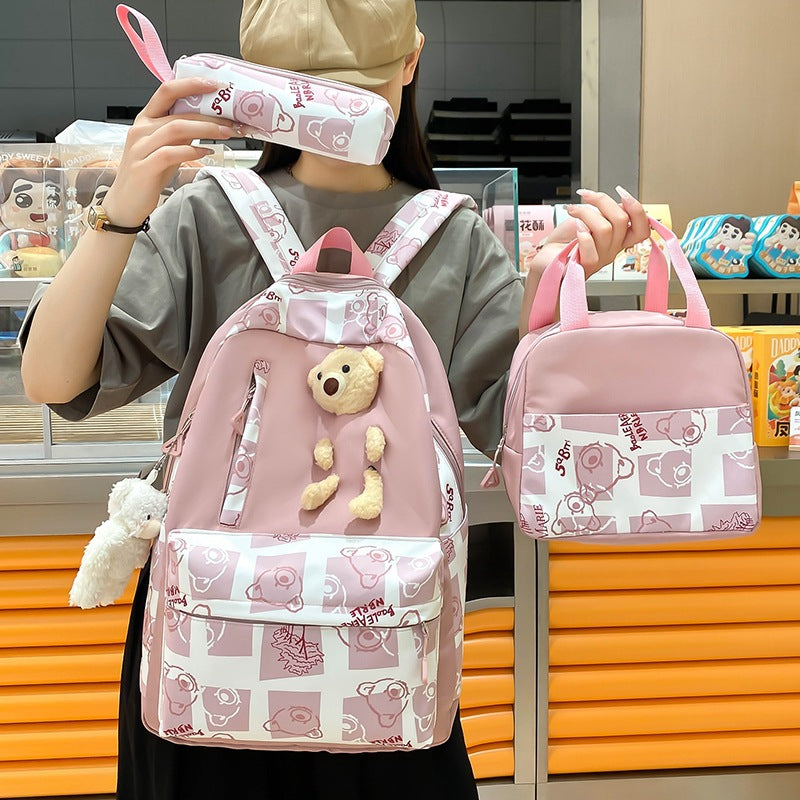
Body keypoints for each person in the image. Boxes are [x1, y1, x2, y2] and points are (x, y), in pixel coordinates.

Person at [20, 2, 649, 797]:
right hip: (375, 626)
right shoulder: (213, 216)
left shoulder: (243, 220)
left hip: (224, 626)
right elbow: (54, 377)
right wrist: (121, 210)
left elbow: (519, 434)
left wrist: (554, 296)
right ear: (412, 59)